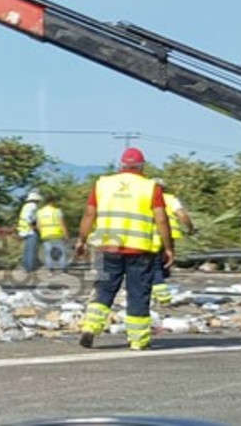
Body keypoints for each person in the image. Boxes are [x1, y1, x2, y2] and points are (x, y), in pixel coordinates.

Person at [74, 147, 173, 351]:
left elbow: (89, 215)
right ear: (142, 166)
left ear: (121, 165)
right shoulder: (150, 187)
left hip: (107, 248)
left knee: (103, 289)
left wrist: (81, 240)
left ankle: (90, 327)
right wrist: (169, 247)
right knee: (138, 294)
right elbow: (161, 219)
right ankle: (138, 340)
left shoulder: (103, 184)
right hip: (140, 251)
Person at [150, 181, 194, 306]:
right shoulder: (170, 199)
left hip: (147, 236)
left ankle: (157, 294)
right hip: (167, 236)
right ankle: (162, 296)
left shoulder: (143, 198)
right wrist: (190, 228)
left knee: (152, 265)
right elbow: (182, 215)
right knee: (162, 264)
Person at [36, 194, 69, 272]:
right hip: (56, 234)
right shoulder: (57, 211)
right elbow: (62, 224)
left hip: (45, 235)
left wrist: (42, 232)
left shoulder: (39, 212)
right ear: (52, 201)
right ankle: (63, 267)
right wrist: (66, 235)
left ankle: (50, 268)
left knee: (48, 252)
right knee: (60, 251)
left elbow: (38, 225)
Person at [16, 190, 41, 274]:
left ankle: (26, 267)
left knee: (26, 250)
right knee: (31, 250)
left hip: (23, 230)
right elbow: (29, 218)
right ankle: (30, 268)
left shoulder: (26, 206)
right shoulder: (33, 206)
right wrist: (34, 226)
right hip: (29, 230)